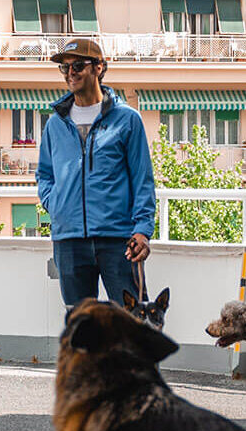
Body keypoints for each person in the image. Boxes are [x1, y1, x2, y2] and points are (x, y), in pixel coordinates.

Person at [34, 37, 155, 309]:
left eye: (78, 65)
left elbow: (142, 179)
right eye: (65, 68)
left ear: (99, 67)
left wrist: (143, 230)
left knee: (130, 323)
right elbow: (45, 175)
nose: (71, 73)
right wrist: (56, 204)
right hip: (69, 239)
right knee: (80, 327)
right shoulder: (55, 124)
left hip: (119, 239)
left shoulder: (127, 120)